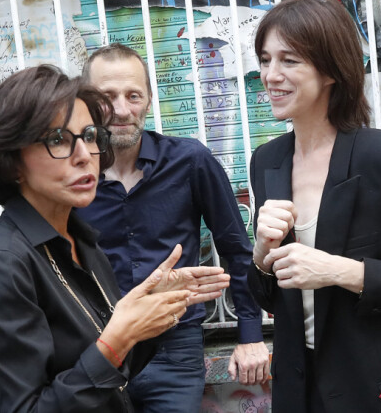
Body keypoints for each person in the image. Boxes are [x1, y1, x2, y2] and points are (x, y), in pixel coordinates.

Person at [0, 64, 230, 412]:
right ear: (12, 162)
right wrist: (115, 342)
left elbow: (115, 371)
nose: (85, 155)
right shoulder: (1, 266)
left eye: (88, 136)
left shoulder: (80, 240)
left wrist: (151, 310)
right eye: (57, 140)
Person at [77, 42, 270, 412]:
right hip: (94, 348)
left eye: (133, 95)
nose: (121, 110)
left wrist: (249, 335)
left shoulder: (190, 160)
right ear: (85, 102)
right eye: (106, 96)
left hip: (176, 350)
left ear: (149, 99)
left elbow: (235, 248)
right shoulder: (72, 174)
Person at [247, 0, 381, 412]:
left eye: (289, 61)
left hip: (370, 384)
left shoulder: (377, 156)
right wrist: (260, 255)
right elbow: (270, 297)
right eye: (265, 59)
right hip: (298, 387)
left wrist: (339, 271)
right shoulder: (267, 161)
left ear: (330, 69)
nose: (271, 75)